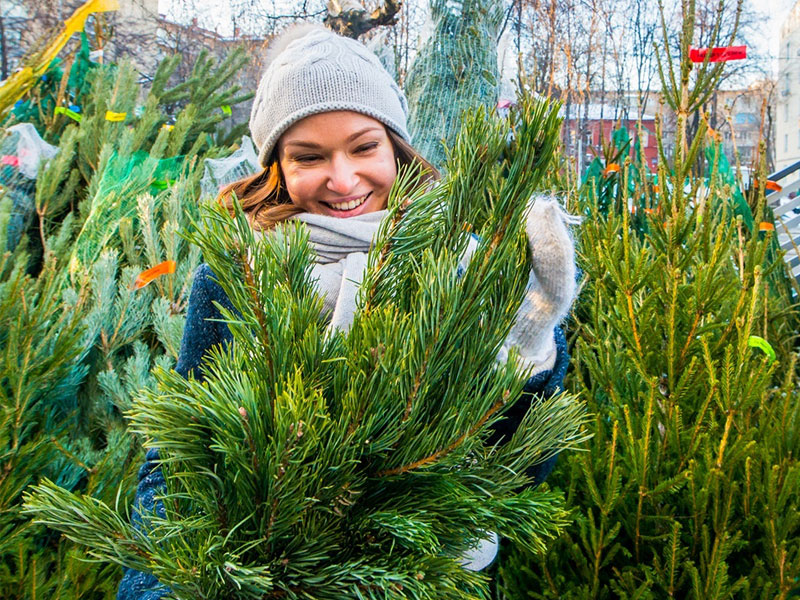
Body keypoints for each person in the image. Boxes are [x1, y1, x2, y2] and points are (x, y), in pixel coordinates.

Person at [117, 24, 576, 600]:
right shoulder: (241, 271)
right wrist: (159, 588)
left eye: (363, 147)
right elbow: (179, 458)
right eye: (309, 156)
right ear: (276, 167)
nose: (342, 179)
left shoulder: (456, 264)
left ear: (396, 146)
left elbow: (513, 474)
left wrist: (528, 350)